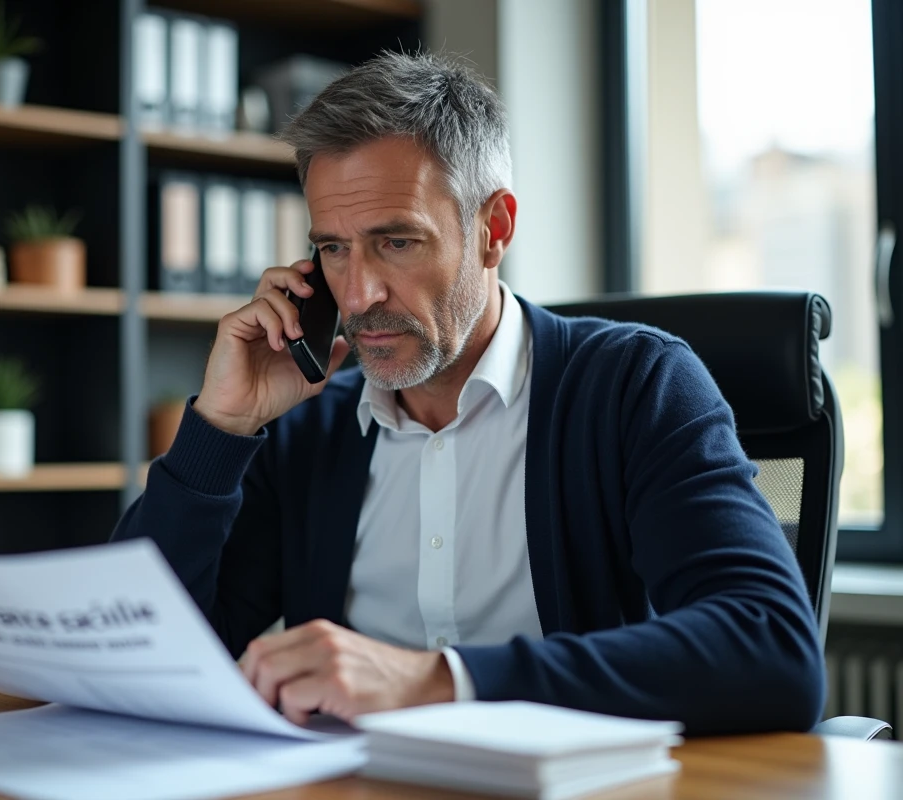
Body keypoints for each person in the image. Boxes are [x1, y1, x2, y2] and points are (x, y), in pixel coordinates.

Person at [112, 51, 824, 735]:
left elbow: (771, 649)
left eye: (396, 242)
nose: (358, 295)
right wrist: (222, 429)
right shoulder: (310, 429)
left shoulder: (635, 386)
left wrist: (436, 681)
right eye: (333, 247)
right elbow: (138, 655)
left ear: (494, 229)